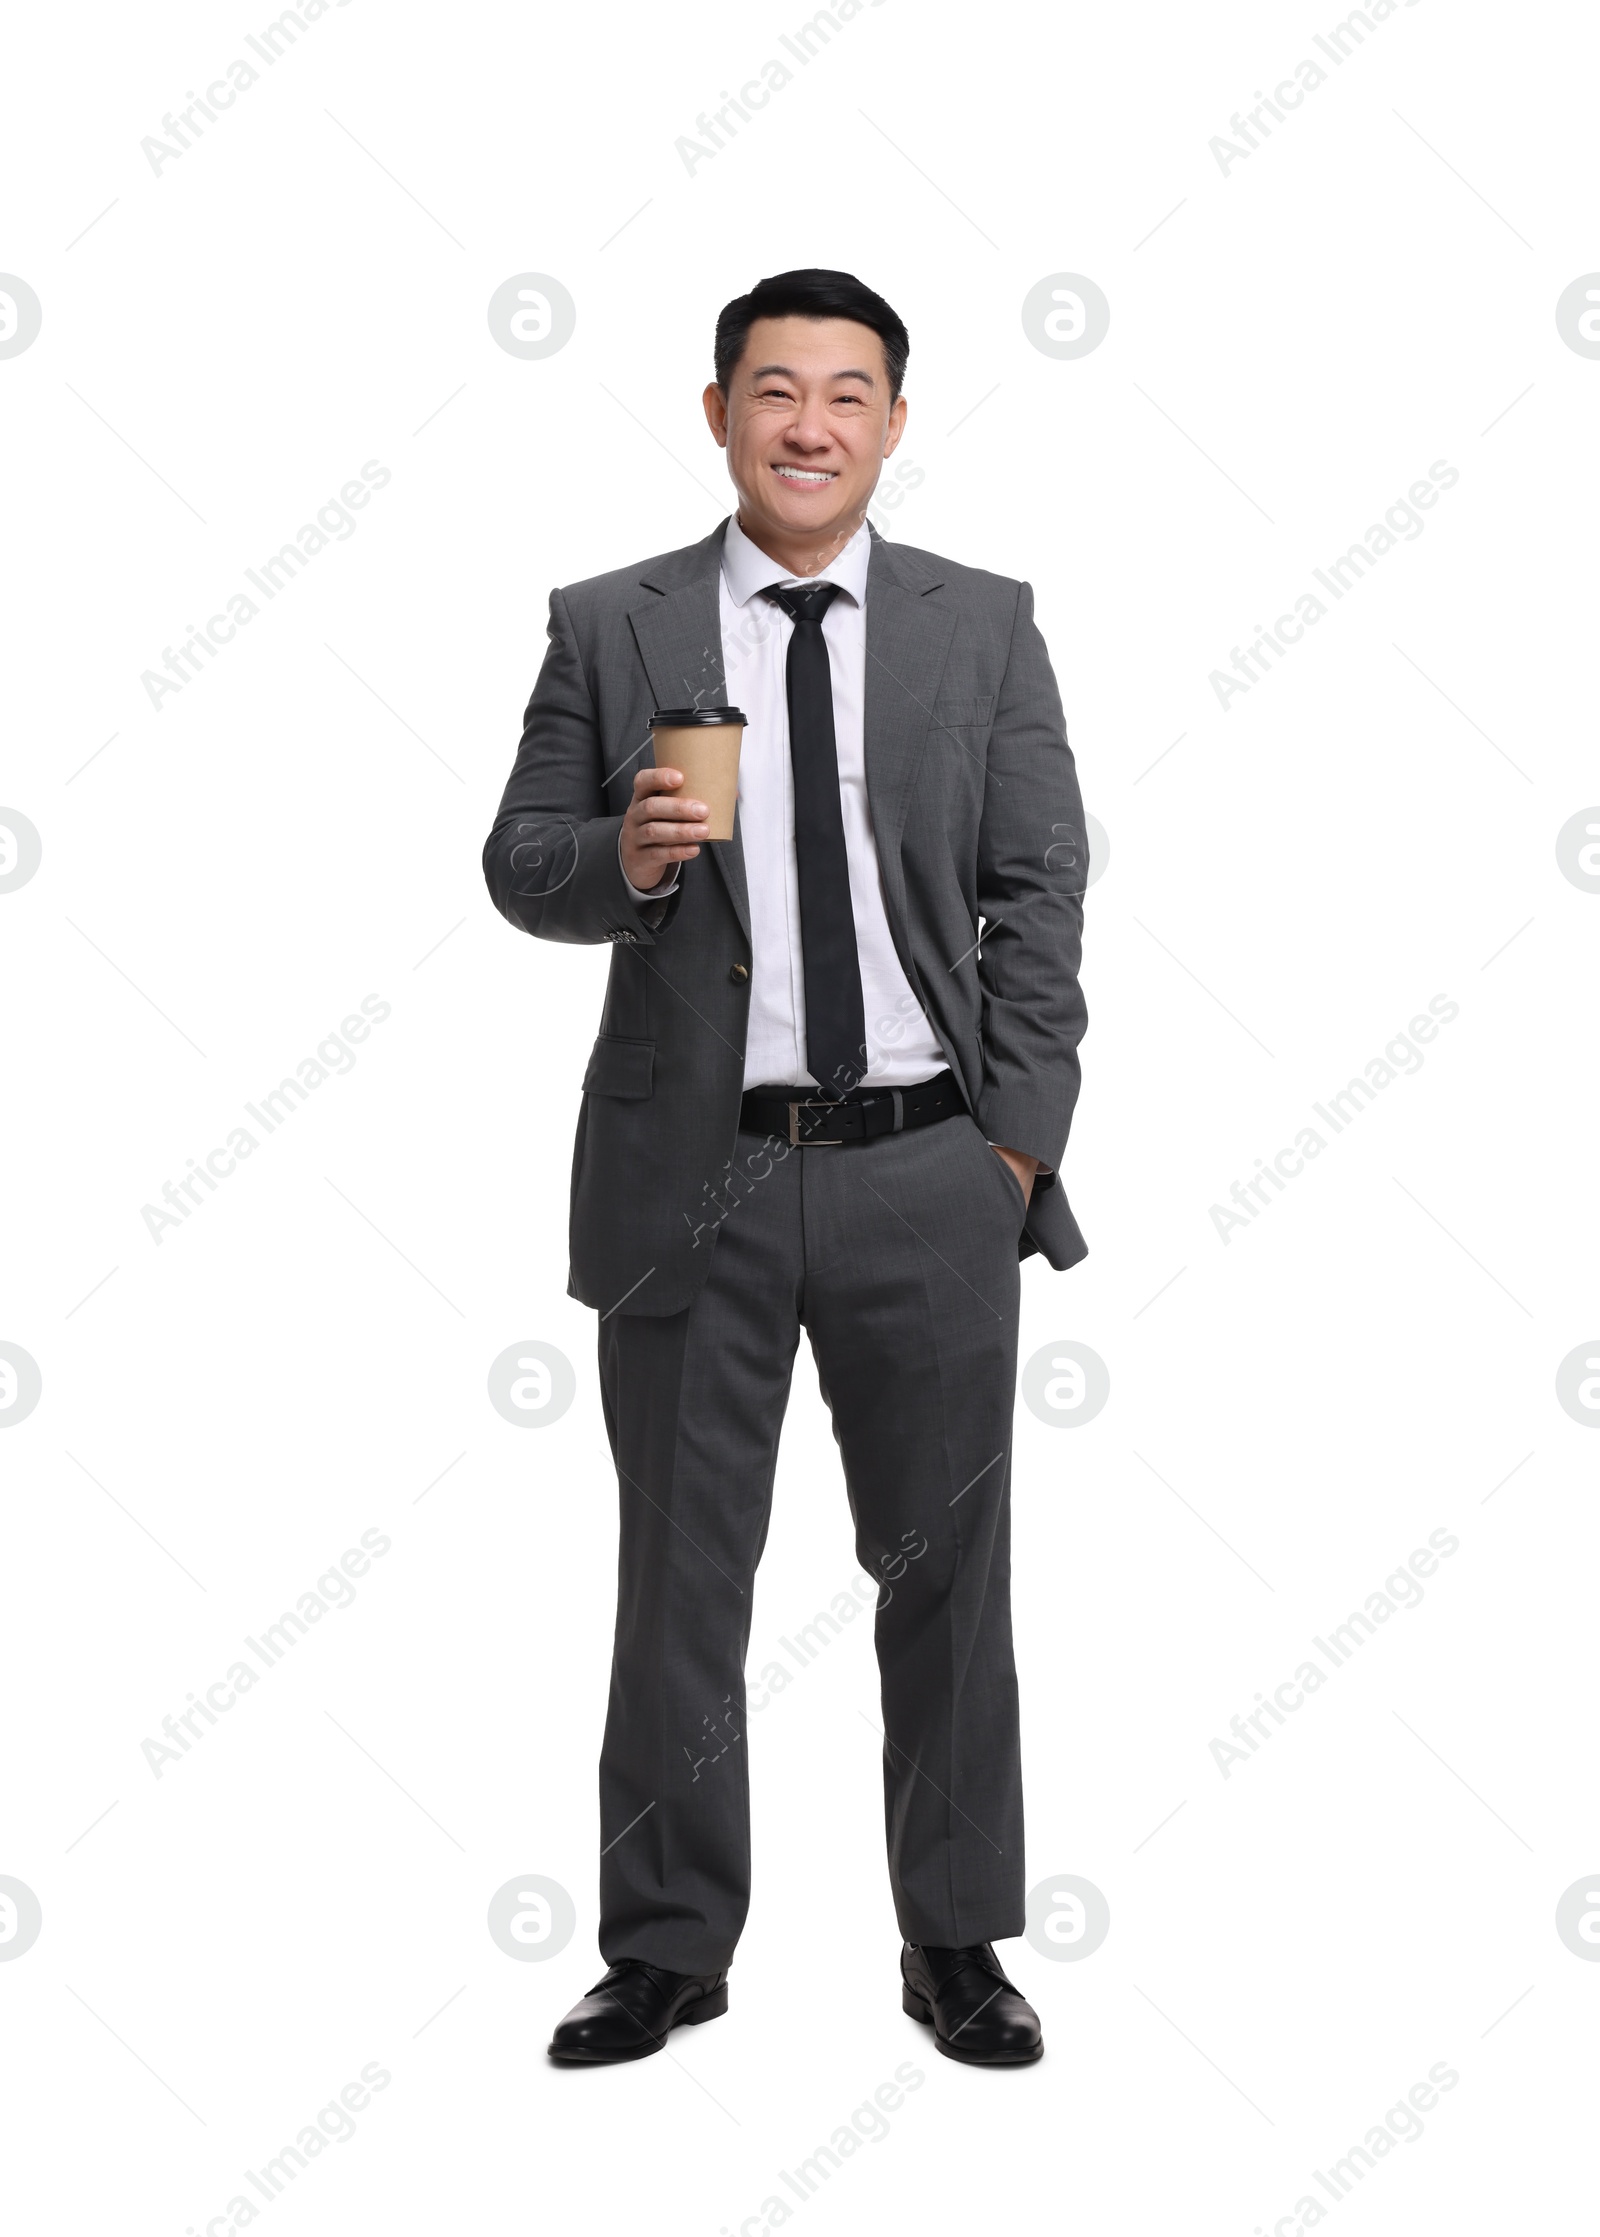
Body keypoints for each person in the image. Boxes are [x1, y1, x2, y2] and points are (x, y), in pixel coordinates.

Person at [482, 268, 1088, 2068]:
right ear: (718, 412)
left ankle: (957, 1940)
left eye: (847, 393)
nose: (809, 424)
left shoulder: (983, 624)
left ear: (894, 420)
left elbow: (1037, 889)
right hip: (695, 1174)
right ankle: (666, 1946)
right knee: (679, 1575)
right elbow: (522, 862)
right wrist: (627, 855)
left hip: (927, 1172)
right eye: (773, 390)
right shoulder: (614, 624)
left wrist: (1016, 1142)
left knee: (948, 1569)